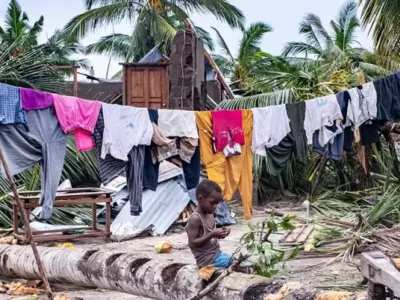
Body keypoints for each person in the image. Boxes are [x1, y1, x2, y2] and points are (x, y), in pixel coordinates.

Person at [186, 179, 232, 269]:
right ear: (200, 199)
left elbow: (211, 236)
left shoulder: (210, 214)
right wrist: (212, 234)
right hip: (206, 260)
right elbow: (192, 243)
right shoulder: (196, 219)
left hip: (216, 255)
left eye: (217, 203)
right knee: (239, 265)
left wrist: (221, 234)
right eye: (212, 203)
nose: (215, 206)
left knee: (242, 261)